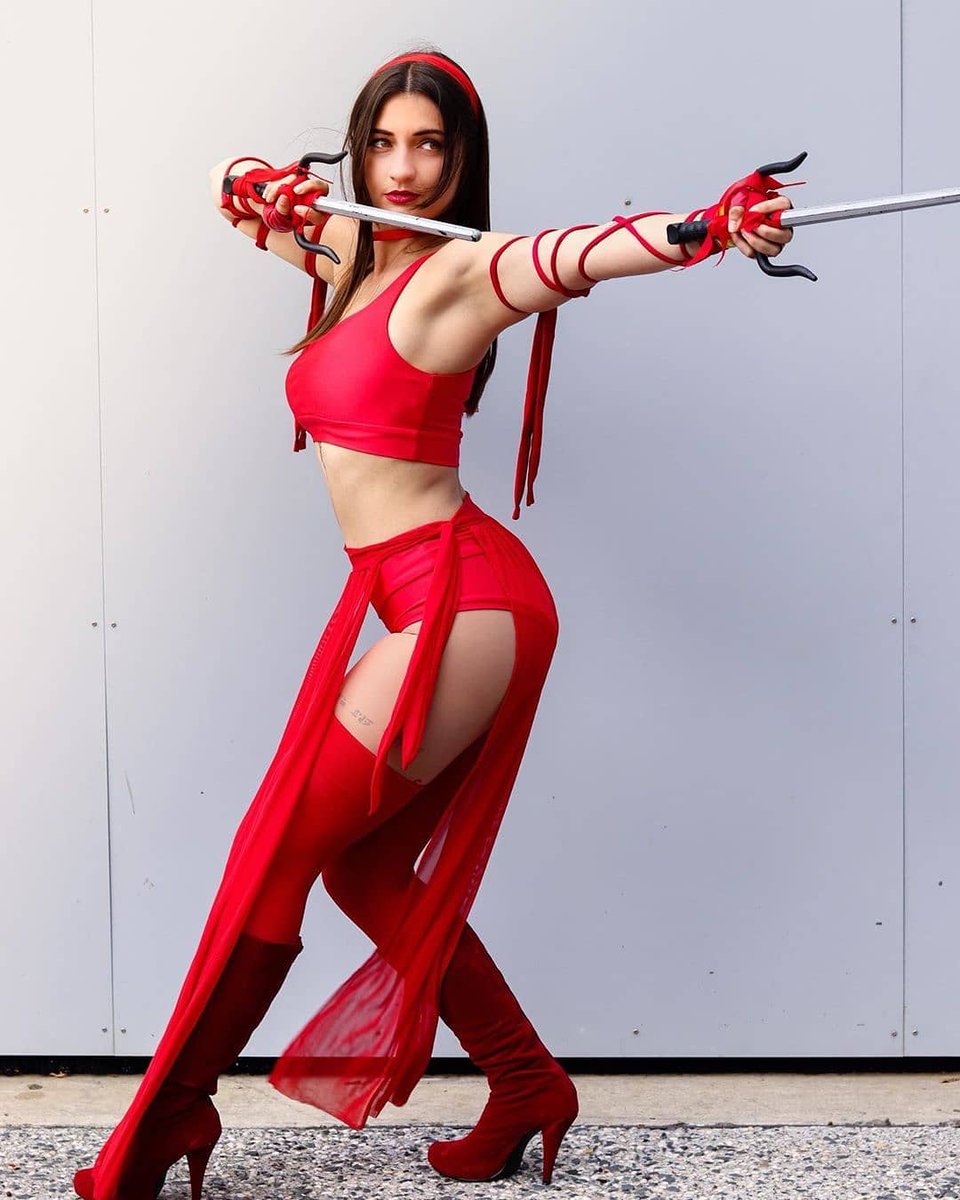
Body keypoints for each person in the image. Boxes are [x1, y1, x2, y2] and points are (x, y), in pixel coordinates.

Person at [73, 46, 793, 1200]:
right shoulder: (347, 251)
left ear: (464, 162)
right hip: (421, 598)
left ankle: (177, 1110)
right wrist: (256, 180)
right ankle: (526, 1084)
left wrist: (709, 227)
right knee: (361, 868)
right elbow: (224, 192)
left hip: (467, 599)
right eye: (383, 143)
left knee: (277, 850)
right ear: (358, 151)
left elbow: (582, 253)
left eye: (430, 146)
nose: (404, 169)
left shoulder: (462, 275)